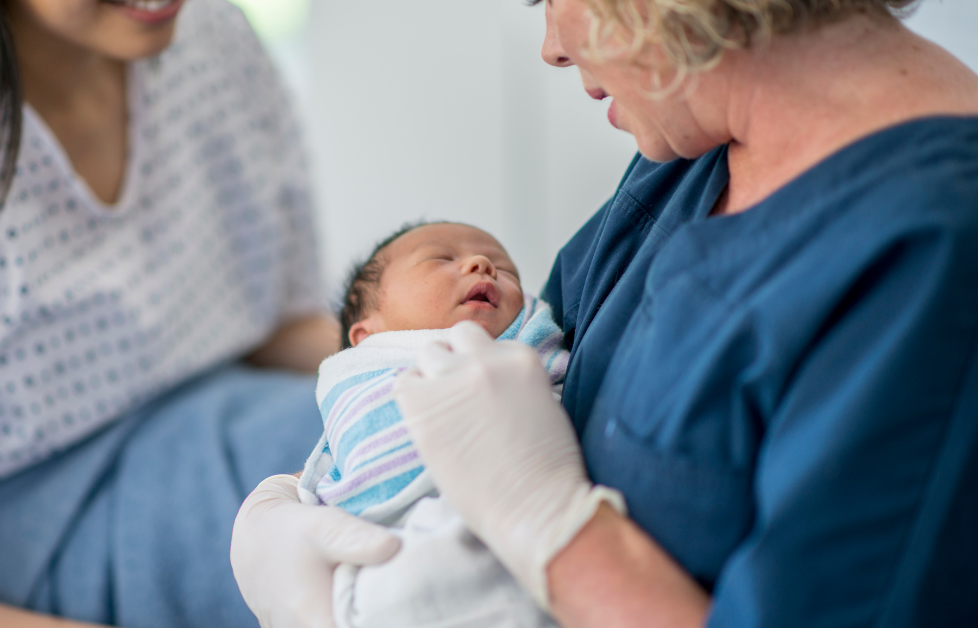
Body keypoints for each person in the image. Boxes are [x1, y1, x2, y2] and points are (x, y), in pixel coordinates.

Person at [229, 0, 978, 626]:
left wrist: (555, 530)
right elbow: (489, 384)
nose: (552, 48)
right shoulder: (688, 145)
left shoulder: (933, 255)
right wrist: (317, 503)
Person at [0, 1, 337, 627]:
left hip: (215, 419)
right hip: (8, 547)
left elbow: (278, 325)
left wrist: (416, 350)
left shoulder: (209, 41)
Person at [294, 222, 573, 627]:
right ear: (367, 333)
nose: (482, 265)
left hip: (507, 534)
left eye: (505, 269)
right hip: (384, 554)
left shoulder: (525, 345)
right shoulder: (356, 374)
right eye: (440, 259)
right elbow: (334, 465)